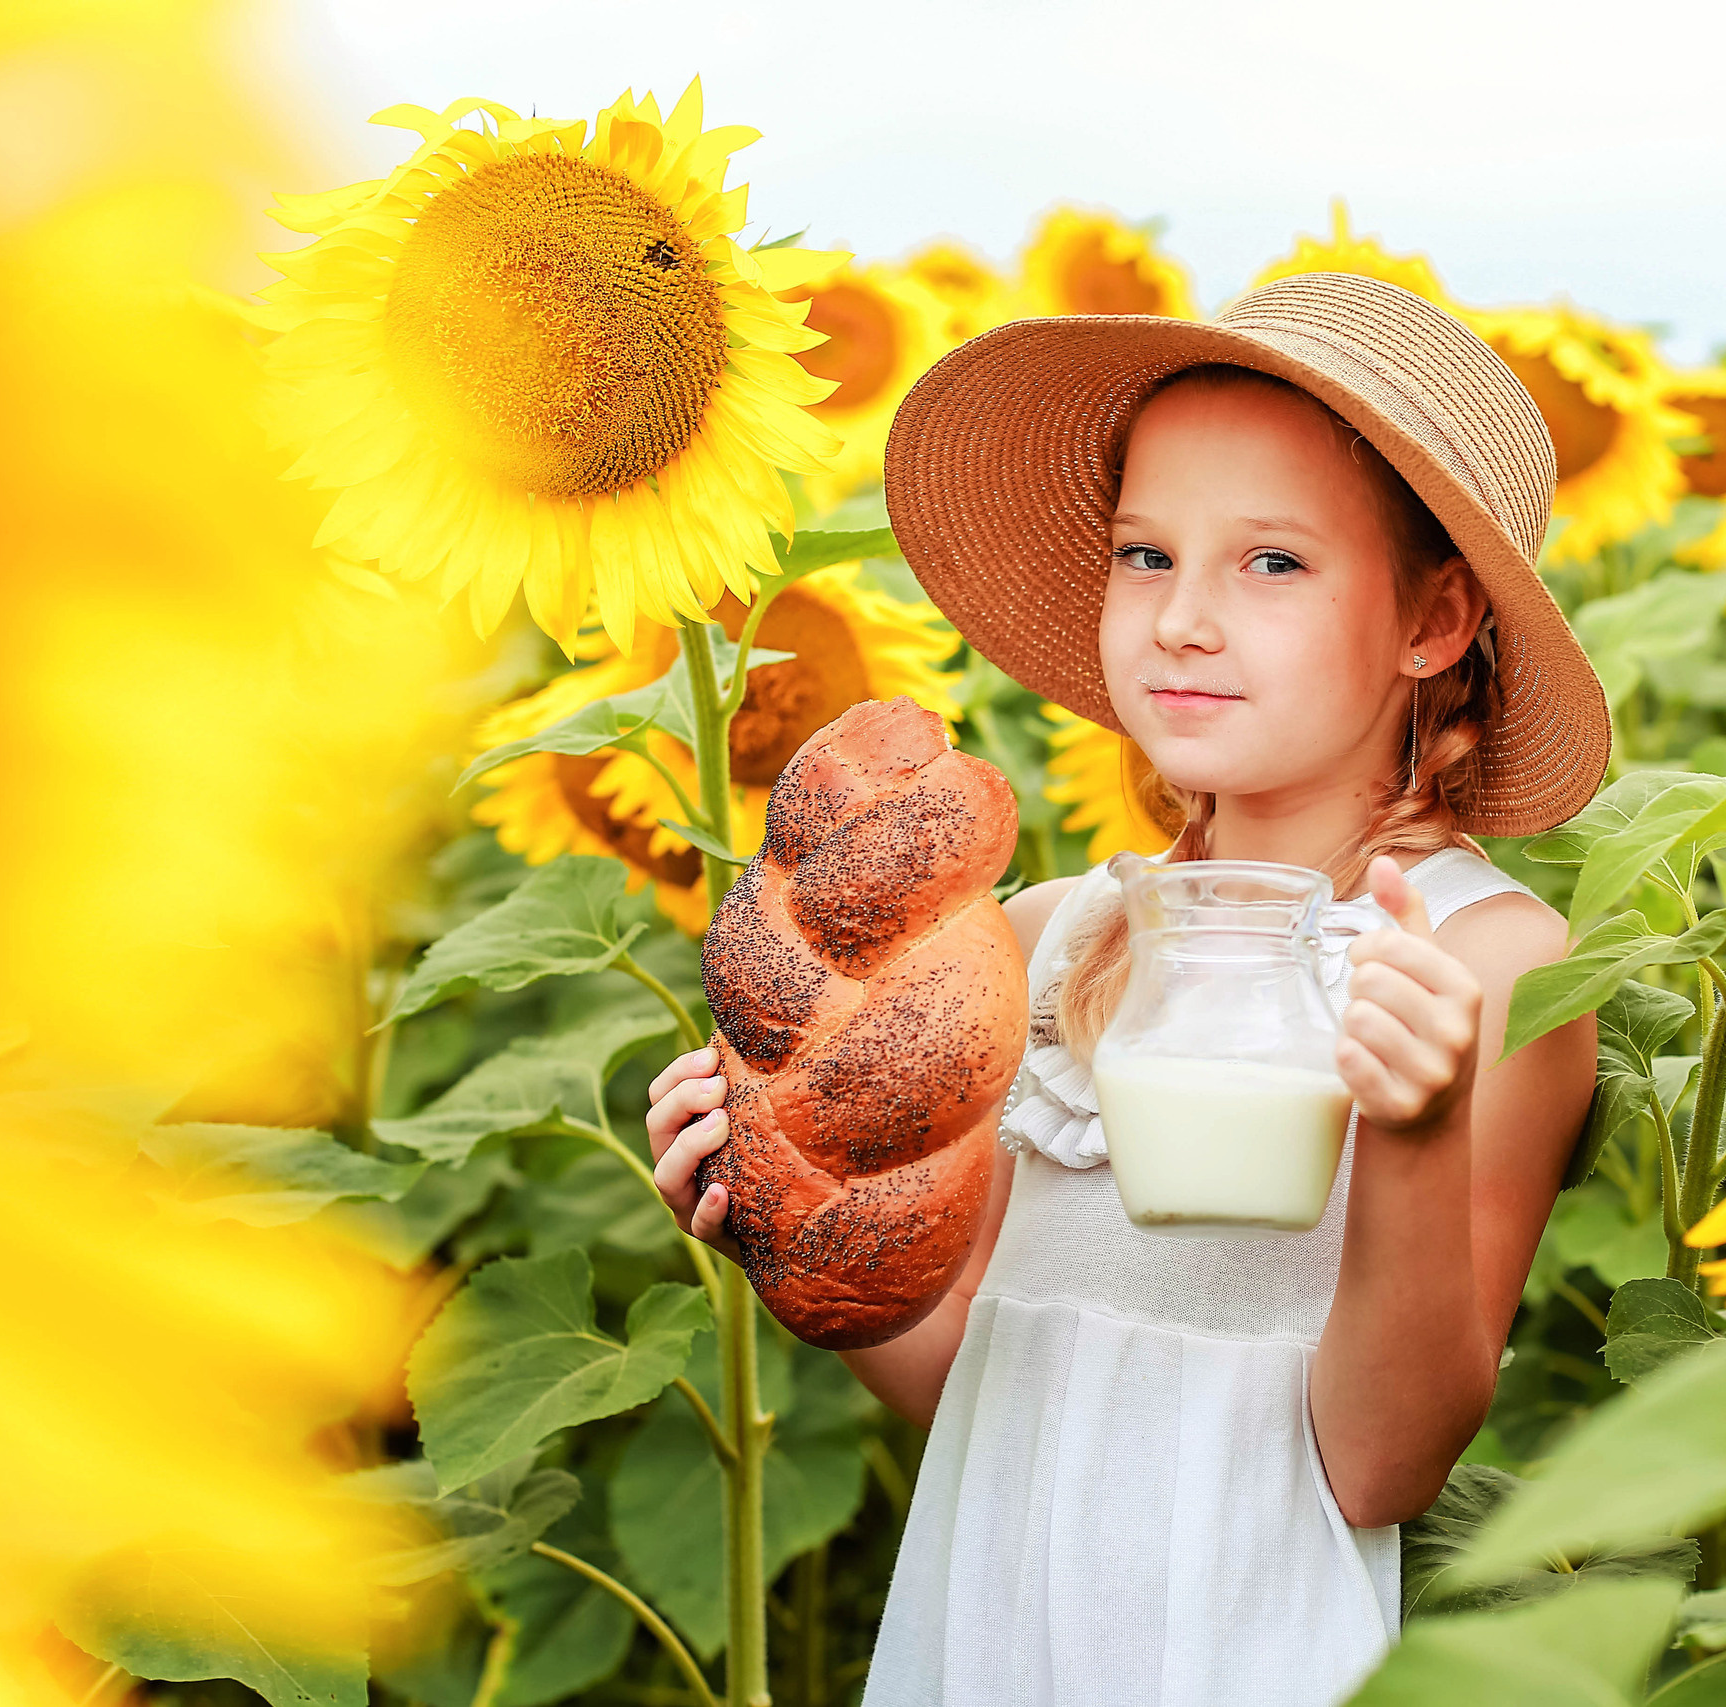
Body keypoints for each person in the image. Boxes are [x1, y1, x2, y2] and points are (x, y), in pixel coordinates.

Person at [646, 273, 1607, 1706]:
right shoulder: (1044, 935)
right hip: (984, 1625)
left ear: (1435, 620)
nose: (1179, 621)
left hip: (1249, 1642)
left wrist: (1410, 1129)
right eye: (1145, 555)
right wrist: (800, 1232)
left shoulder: (1481, 965)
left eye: (1270, 564)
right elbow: (976, 1363)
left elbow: (1381, 1464)